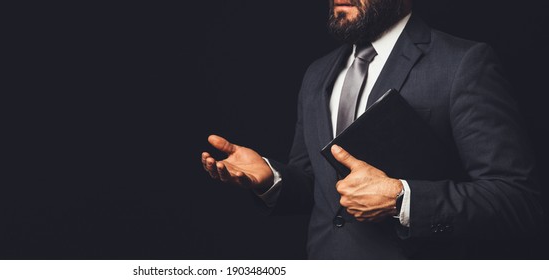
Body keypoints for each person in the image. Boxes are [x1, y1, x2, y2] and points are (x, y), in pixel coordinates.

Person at [201, 0, 543, 259]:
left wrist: (402, 200)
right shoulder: (317, 74)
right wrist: (272, 178)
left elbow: (519, 202)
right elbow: (321, 189)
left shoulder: (463, 63)